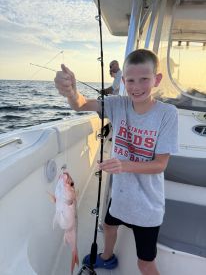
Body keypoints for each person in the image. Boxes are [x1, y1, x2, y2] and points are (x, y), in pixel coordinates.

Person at [54, 49, 178, 275]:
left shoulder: (167, 114)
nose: (136, 86)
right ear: (123, 80)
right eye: (130, 80)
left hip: (147, 206)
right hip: (120, 196)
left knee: (145, 263)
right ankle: (107, 257)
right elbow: (80, 105)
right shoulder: (116, 104)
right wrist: (71, 92)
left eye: (144, 79)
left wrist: (124, 165)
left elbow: (160, 164)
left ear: (156, 79)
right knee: (109, 225)